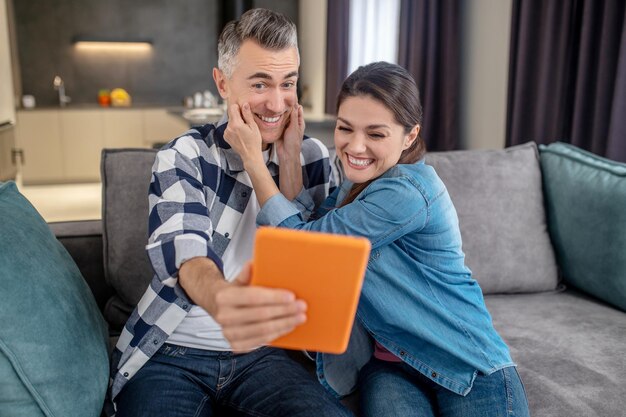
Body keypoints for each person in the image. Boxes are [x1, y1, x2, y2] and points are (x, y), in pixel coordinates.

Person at [224, 61, 531, 417]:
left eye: (376, 134)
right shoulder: (353, 189)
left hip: (465, 363)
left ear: (410, 136)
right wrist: (290, 155)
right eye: (345, 128)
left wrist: (253, 161)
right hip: (392, 366)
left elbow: (302, 246)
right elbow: (306, 235)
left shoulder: (407, 192)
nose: (355, 146)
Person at [108, 8, 352, 417]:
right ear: (222, 82)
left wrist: (288, 164)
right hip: (173, 349)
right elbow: (186, 256)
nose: (277, 103)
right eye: (260, 83)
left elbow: (311, 271)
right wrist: (222, 299)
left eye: (287, 83)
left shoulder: (310, 156)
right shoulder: (186, 154)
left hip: (265, 357)